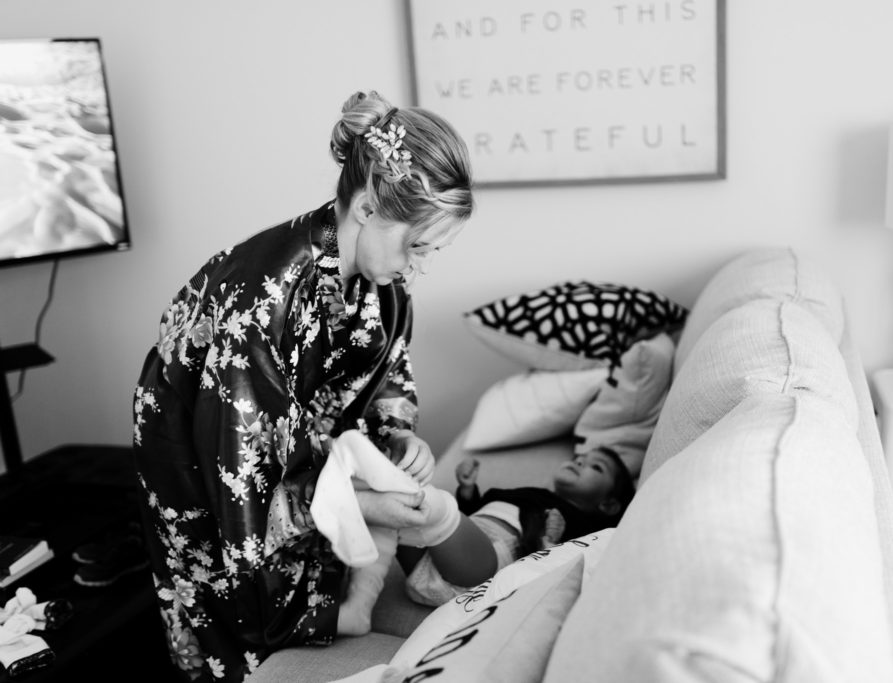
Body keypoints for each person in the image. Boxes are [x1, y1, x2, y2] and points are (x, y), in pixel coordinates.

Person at [131, 89, 473, 682]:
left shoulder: (381, 280)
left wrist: (398, 436)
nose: (418, 265)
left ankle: (329, 599)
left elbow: (387, 370)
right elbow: (243, 477)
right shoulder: (259, 306)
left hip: (290, 453)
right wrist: (359, 502)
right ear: (367, 207)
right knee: (232, 625)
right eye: (417, 245)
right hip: (206, 461)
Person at [394, 446, 636, 607]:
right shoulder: (535, 494)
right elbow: (475, 513)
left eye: (596, 466)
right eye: (578, 458)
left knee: (418, 499)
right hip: (440, 559)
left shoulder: (582, 524)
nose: (580, 460)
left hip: (482, 567)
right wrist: (468, 490)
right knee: (395, 510)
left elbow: (566, 568)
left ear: (609, 505)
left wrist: (550, 543)